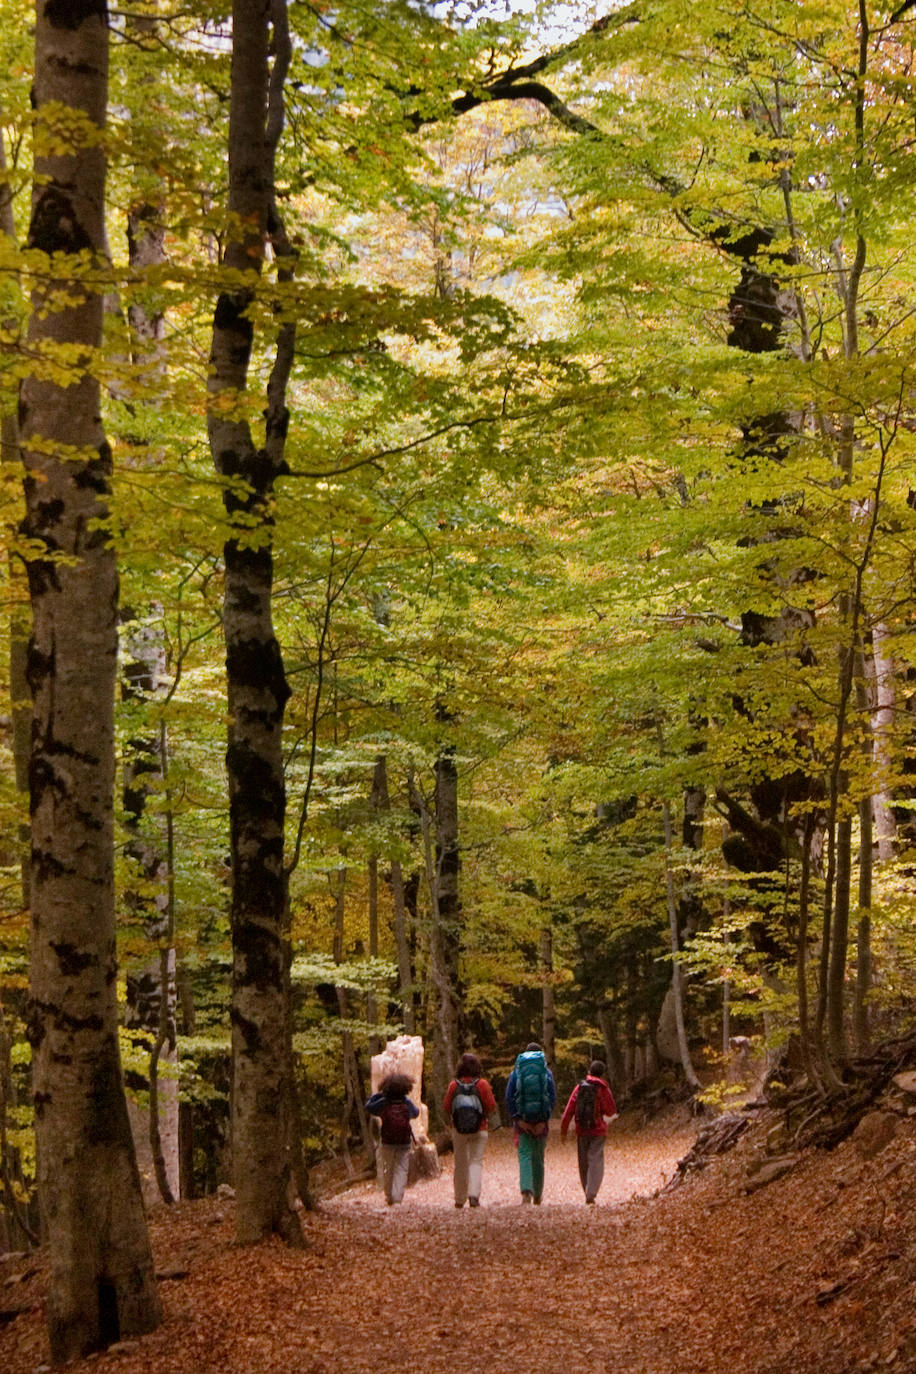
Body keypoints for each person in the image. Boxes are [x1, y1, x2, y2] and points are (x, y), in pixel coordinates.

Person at [443, 1052, 498, 1209]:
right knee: (475, 1161)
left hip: (458, 1129)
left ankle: (459, 1198)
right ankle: (473, 1195)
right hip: (479, 1128)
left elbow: (446, 1106)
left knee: (460, 1163)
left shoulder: (454, 1085)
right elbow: (492, 1105)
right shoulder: (482, 1085)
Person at [560, 1059, 618, 1204]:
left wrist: (564, 1131)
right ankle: (591, 1193)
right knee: (595, 1160)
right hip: (598, 1130)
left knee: (583, 1162)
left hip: (581, 1130)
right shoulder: (603, 1088)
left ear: (589, 1072)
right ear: (602, 1074)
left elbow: (568, 1111)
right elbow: (611, 1110)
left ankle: (586, 1189)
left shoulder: (579, 1088)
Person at [505, 1041, 556, 1204]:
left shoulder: (516, 1073)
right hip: (541, 1120)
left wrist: (517, 1119)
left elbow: (509, 1097)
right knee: (539, 1157)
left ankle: (526, 1190)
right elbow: (552, 1098)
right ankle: (538, 1194)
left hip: (522, 1120)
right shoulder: (546, 1074)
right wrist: (544, 1119)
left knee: (525, 1154)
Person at [365, 1071, 420, 1205]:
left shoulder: (383, 1103)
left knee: (387, 1168)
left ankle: (389, 1195)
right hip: (404, 1140)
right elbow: (416, 1113)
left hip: (387, 1141)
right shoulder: (406, 1102)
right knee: (401, 1168)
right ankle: (397, 1197)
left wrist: (379, 1094)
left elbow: (368, 1106)